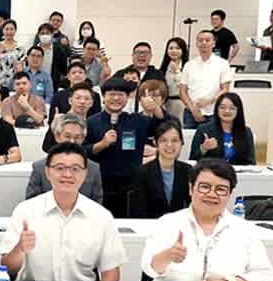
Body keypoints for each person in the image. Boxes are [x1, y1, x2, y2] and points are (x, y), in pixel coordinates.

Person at [141, 159, 273, 281]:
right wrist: (167, 255)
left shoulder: (243, 229)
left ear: (230, 194)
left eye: (221, 189)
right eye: (205, 187)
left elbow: (266, 276)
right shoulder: (168, 222)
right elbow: (149, 269)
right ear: (191, 188)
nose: (212, 194)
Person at [3, 142, 125, 281]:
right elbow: (6, 268)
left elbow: (111, 271)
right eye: (60, 168)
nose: (67, 174)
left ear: (85, 173)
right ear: (47, 172)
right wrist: (19, 249)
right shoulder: (25, 210)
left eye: (75, 169)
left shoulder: (101, 216)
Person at [83, 78, 158, 218]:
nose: (116, 98)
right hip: (101, 184)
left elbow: (164, 126)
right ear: (103, 97)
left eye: (120, 94)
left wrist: (155, 109)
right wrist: (102, 144)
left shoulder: (137, 121)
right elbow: (82, 152)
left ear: (127, 97)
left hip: (131, 184)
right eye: (111, 94)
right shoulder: (92, 122)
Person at [27, 113, 103, 203]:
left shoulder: (93, 168)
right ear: (57, 137)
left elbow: (97, 203)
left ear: (83, 138)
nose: (72, 141)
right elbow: (31, 203)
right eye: (67, 136)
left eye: (77, 137)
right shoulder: (39, 167)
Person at [130, 120, 192, 219]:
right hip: (151, 224)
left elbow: (192, 205)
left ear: (181, 143)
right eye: (164, 140)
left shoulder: (188, 170)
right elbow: (138, 210)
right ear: (155, 143)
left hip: (180, 224)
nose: (169, 145)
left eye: (174, 140)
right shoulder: (142, 172)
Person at [179, 29, 234, 129]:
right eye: (200, 40)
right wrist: (193, 110)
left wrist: (209, 101)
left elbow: (225, 89)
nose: (204, 43)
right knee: (189, 138)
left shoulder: (223, 64)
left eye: (207, 40)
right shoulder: (189, 65)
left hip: (213, 112)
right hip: (191, 113)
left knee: (213, 138)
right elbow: (182, 91)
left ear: (213, 43)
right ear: (196, 43)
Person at [190, 92, 256, 164]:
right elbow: (192, 159)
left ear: (238, 111)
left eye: (232, 108)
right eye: (222, 107)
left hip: (237, 171)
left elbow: (251, 162)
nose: (227, 111)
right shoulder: (203, 130)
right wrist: (204, 148)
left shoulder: (246, 132)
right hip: (212, 170)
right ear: (217, 109)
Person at [44, 82, 95, 151]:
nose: (82, 102)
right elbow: (46, 148)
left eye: (86, 99)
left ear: (91, 103)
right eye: (78, 98)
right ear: (70, 101)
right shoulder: (60, 120)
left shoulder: (93, 123)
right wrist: (53, 128)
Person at [0, 19, 26, 89]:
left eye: (11, 29)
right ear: (3, 30)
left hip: (16, 84)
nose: (9, 32)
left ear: (15, 31)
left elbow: (21, 69)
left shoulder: (20, 47)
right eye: (6, 29)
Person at [159, 36, 189, 120]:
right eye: (171, 48)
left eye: (177, 48)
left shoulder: (188, 66)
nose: (174, 51)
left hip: (182, 103)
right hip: (166, 104)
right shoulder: (163, 68)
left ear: (183, 50)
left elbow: (184, 86)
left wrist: (177, 71)